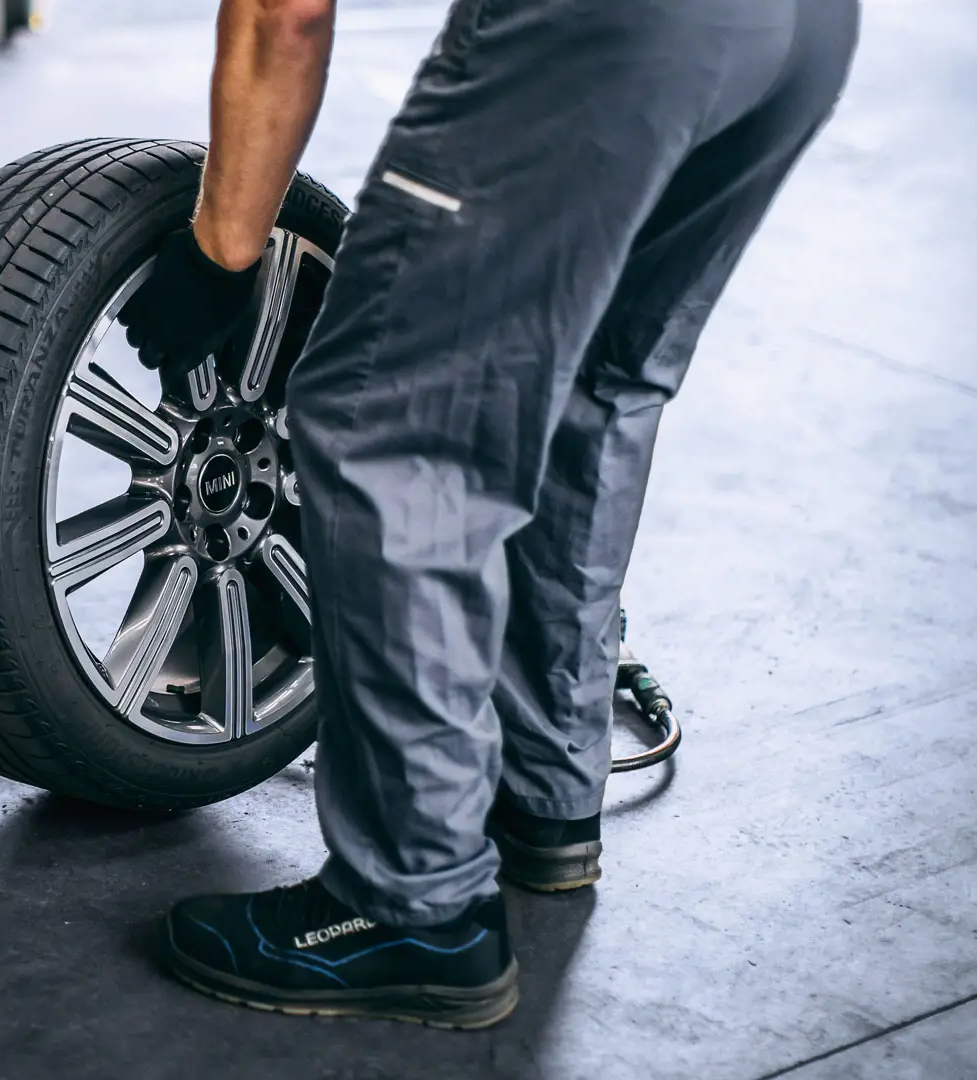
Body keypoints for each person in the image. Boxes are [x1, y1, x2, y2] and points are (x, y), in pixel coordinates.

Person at [114, 0, 861, 1029]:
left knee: (390, 424)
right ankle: (544, 794)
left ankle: (409, 901)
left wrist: (223, 249)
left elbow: (285, 12)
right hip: (798, 34)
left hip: (609, 33)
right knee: (593, 382)